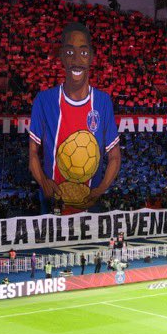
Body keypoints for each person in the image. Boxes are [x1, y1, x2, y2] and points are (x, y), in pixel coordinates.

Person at [28, 22, 121, 214]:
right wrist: (43, 181)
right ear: (62, 56)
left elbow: (114, 156)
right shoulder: (44, 100)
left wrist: (99, 190)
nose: (77, 60)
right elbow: (32, 153)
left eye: (84, 53)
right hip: (53, 204)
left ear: (92, 57)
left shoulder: (103, 102)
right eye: (70, 53)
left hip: (90, 206)